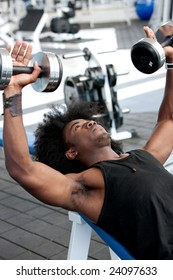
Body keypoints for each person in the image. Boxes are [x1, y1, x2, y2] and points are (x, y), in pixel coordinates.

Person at [2, 26, 173, 260]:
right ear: (71, 152)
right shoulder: (86, 187)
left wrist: (170, 62)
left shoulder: (145, 156)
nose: (90, 123)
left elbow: (169, 120)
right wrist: (13, 92)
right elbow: (23, 169)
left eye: (88, 121)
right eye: (78, 126)